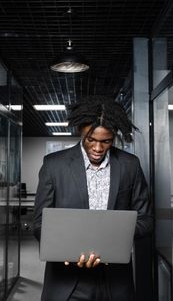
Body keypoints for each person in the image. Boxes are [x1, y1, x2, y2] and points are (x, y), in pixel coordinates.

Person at [33, 97, 152, 301]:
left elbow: (146, 220)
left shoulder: (130, 165)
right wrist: (68, 249)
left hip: (116, 282)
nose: (97, 148)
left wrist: (112, 238)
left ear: (114, 136)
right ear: (81, 132)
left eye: (106, 141)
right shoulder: (54, 165)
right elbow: (39, 224)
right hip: (67, 283)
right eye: (91, 140)